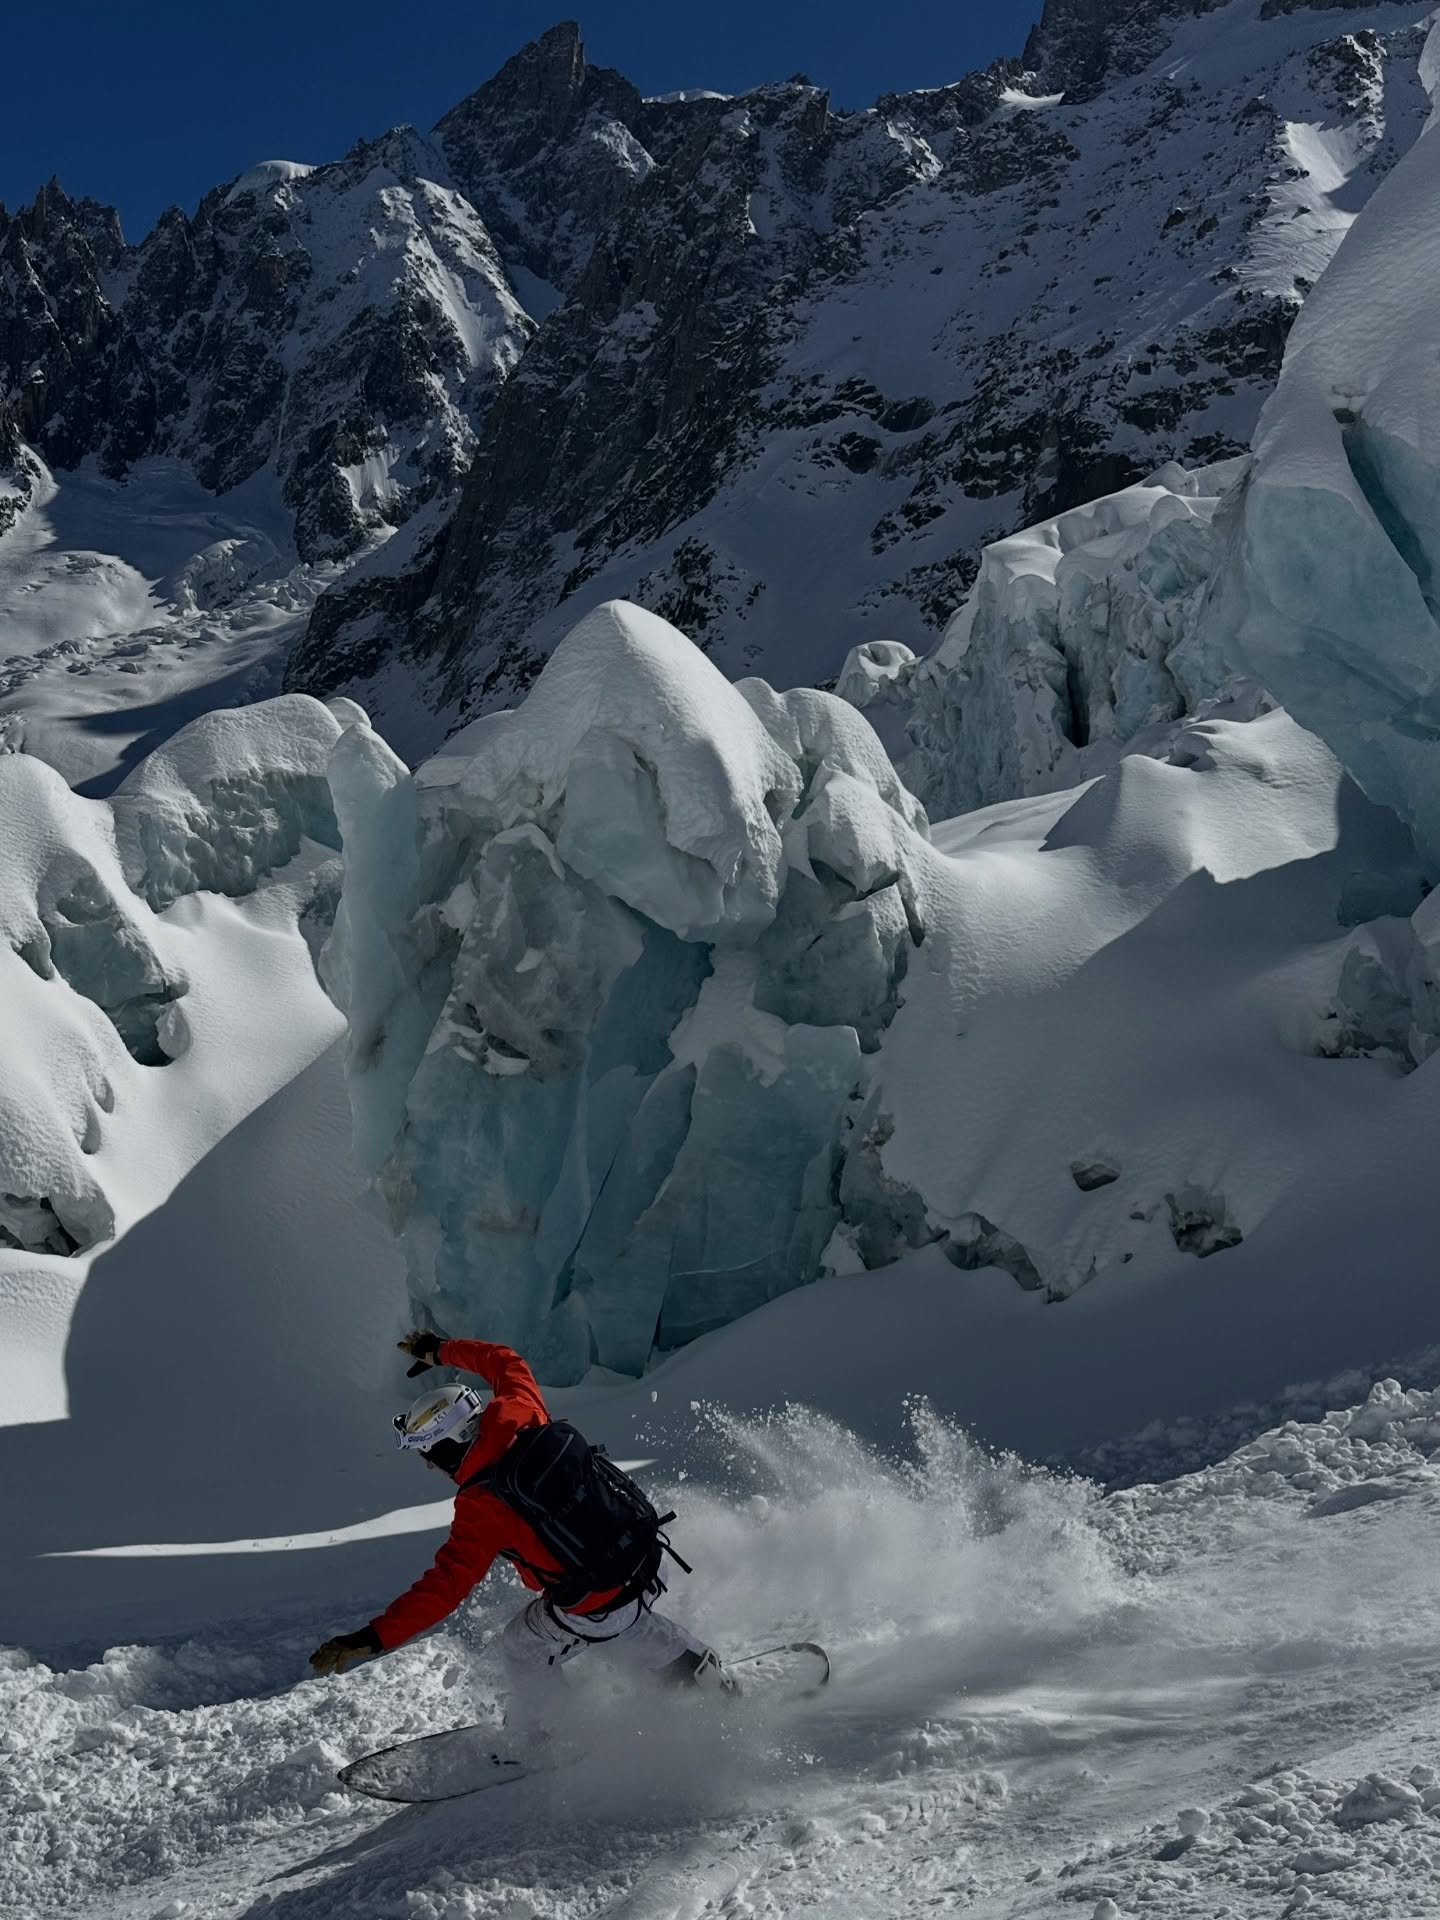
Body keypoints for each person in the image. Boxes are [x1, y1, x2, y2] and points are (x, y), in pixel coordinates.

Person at [309, 1331, 732, 1733]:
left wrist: (373, 1638)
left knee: (524, 1646)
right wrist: (438, 1349)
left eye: (428, 1452)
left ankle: (544, 1738)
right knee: (619, 1623)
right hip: (644, 1550)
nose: (427, 1464)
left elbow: (445, 1586)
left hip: (598, 1598)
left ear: (448, 1445)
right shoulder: (522, 1408)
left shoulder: (481, 1506)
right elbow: (504, 1360)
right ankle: (694, 1669)